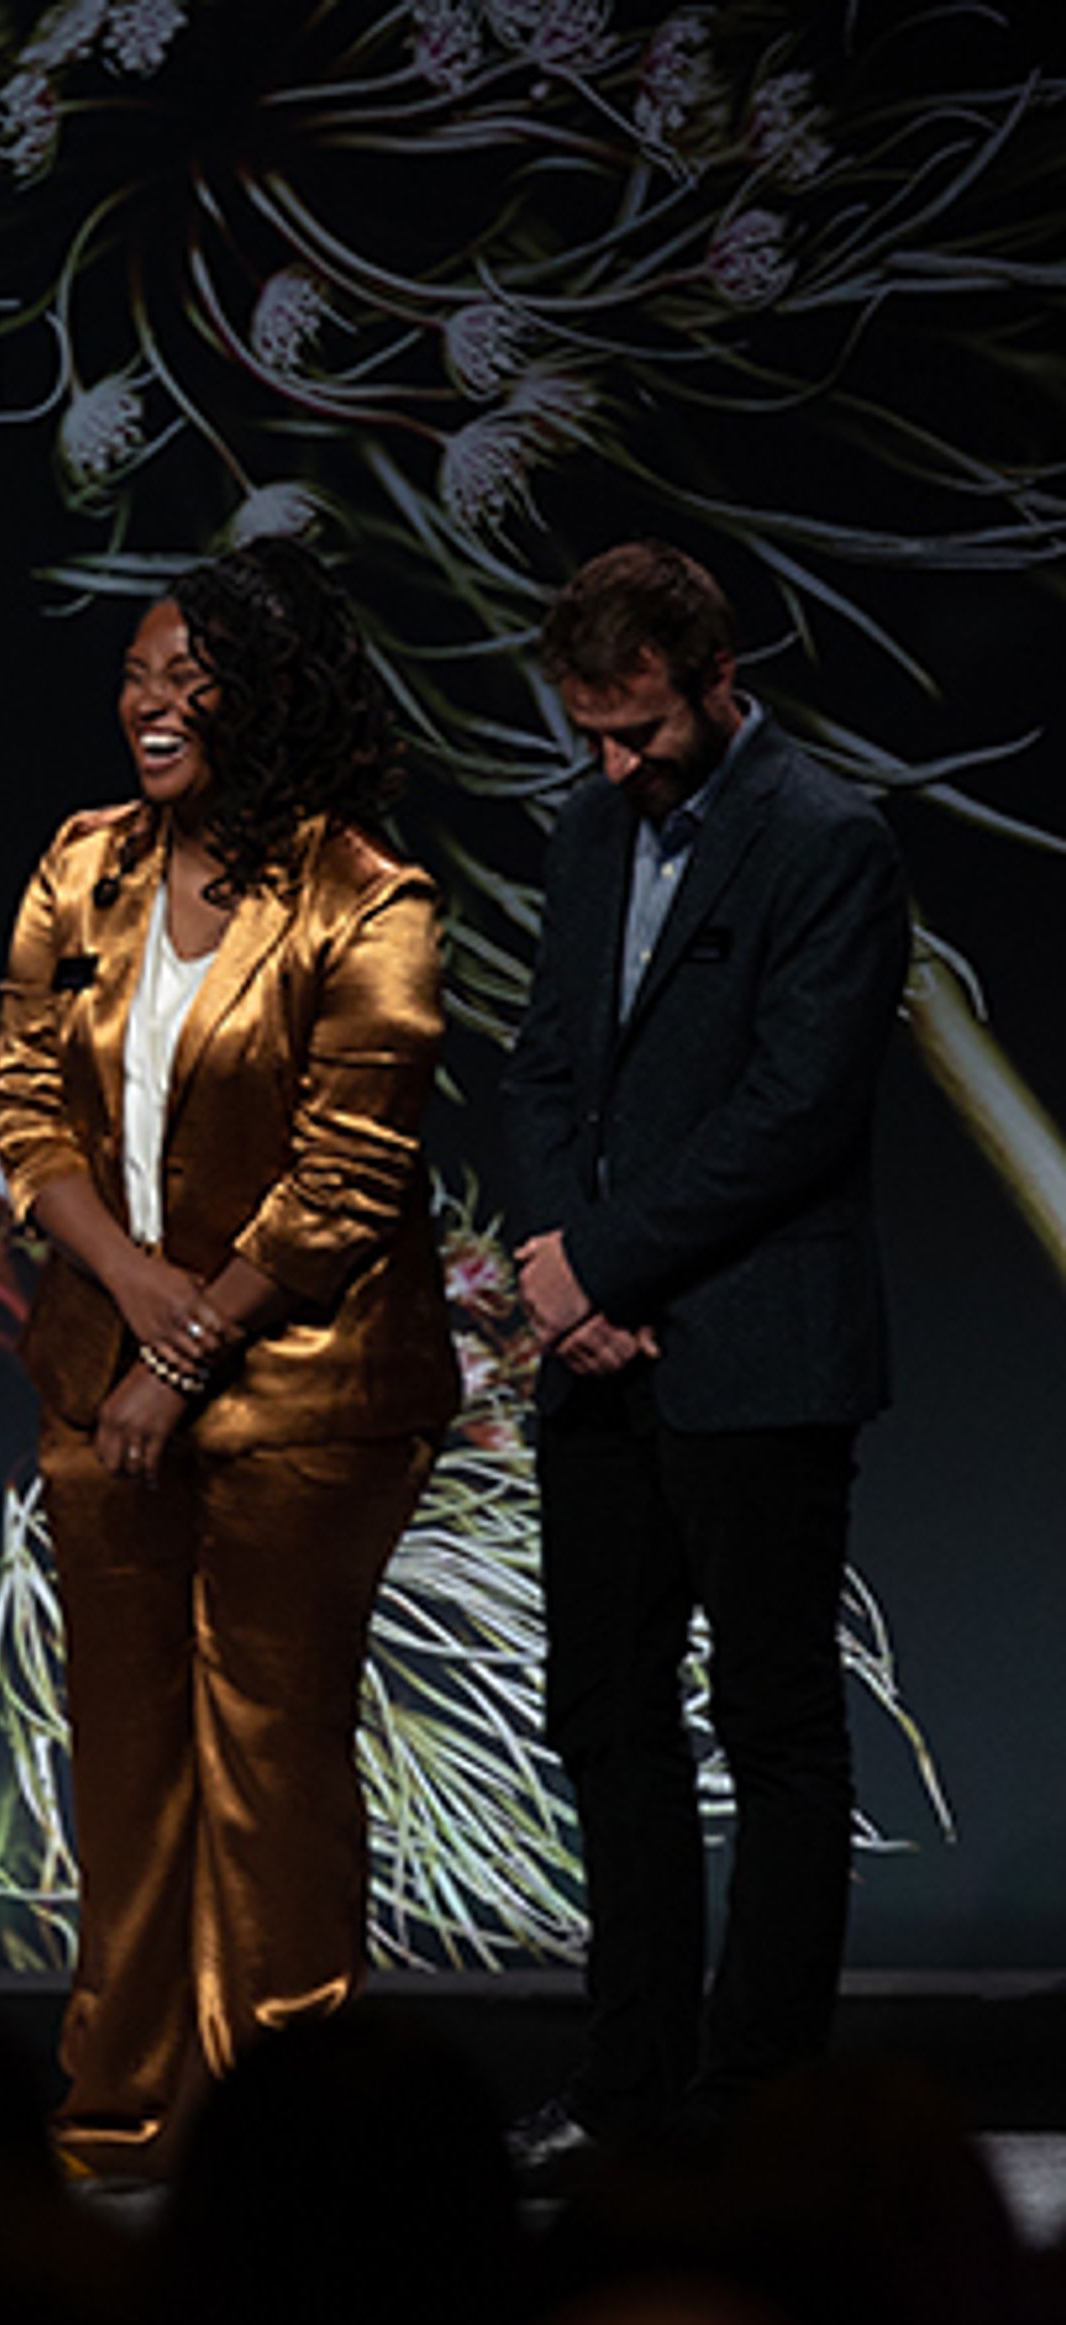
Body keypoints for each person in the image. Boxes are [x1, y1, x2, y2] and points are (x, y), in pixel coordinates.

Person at [0, 535, 456, 2177]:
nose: (152, 705)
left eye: (190, 680)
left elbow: (348, 1182)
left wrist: (187, 1354)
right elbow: (26, 1104)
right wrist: (130, 1294)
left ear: (276, 697)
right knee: (122, 1765)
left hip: (304, 1397)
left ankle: (292, 2137)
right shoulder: (82, 864)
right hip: (100, 1373)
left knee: (272, 1759)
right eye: (137, 675)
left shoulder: (369, 902)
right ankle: (118, 2110)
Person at [500, 539, 911, 2183]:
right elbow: (543, 1068)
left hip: (759, 1348)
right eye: (591, 730)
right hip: (601, 1358)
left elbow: (798, 1109)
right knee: (606, 1717)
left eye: (641, 728)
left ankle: (762, 2103)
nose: (615, 762)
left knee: (776, 1727)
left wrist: (604, 1259)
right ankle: (631, 2078)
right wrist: (561, 1274)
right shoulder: (589, 827)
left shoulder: (828, 841)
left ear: (717, 678)